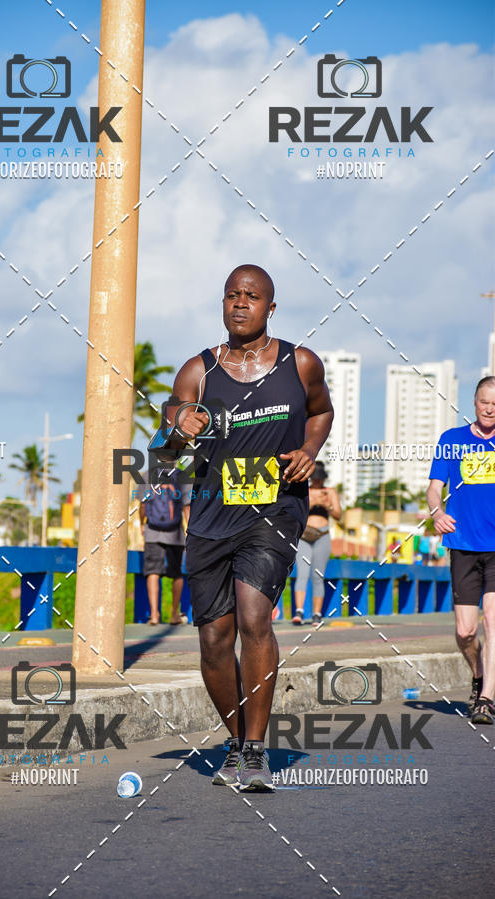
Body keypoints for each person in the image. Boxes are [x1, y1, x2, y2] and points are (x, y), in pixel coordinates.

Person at [161, 264, 333, 790]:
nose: (240, 304)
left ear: (270, 308)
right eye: (232, 295)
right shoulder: (198, 372)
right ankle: (236, 743)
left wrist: (308, 450)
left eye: (252, 296)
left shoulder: (298, 363)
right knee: (215, 637)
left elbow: (321, 412)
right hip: (212, 513)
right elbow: (165, 452)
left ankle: (255, 752)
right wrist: (177, 426)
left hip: (275, 506)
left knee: (254, 614)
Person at [427, 375, 495, 725]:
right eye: (485, 401)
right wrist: (437, 512)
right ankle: (479, 674)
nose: (490, 408)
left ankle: (486, 699)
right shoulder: (452, 441)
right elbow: (434, 488)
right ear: (474, 401)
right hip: (463, 545)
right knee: (466, 632)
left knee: (492, 620)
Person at [138, 471, 190, 625]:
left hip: (153, 532)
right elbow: (187, 507)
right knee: (177, 574)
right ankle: (174, 614)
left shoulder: (147, 475)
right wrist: (191, 532)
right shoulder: (182, 476)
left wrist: (142, 524)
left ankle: (154, 615)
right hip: (175, 534)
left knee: (152, 571)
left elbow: (142, 505)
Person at [291, 461, 341, 625]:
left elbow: (339, 515)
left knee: (318, 575)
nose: (317, 481)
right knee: (302, 574)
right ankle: (299, 611)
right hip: (305, 535)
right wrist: (312, 503)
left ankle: (317, 614)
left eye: (319, 479)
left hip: (323, 534)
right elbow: (296, 511)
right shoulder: (305, 489)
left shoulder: (330, 492)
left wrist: (327, 506)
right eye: (315, 478)